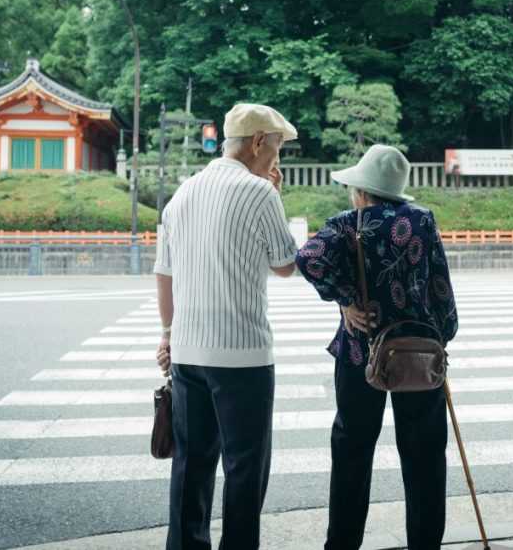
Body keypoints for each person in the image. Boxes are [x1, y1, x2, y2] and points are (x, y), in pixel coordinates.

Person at [295, 144, 459, 549]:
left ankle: (343, 545)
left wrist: (346, 299)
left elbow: (308, 259)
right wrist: (444, 333)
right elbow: (440, 284)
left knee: (353, 450)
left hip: (360, 351)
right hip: (420, 353)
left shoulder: (348, 224)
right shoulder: (421, 220)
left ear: (363, 191)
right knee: (424, 456)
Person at [154, 103, 300, 550]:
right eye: (277, 149)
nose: (278, 160)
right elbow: (285, 265)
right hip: (243, 356)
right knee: (244, 467)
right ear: (258, 142)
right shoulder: (260, 192)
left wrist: (167, 335)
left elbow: (165, 273)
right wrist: (273, 194)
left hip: (188, 354)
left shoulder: (183, 193)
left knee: (191, 465)